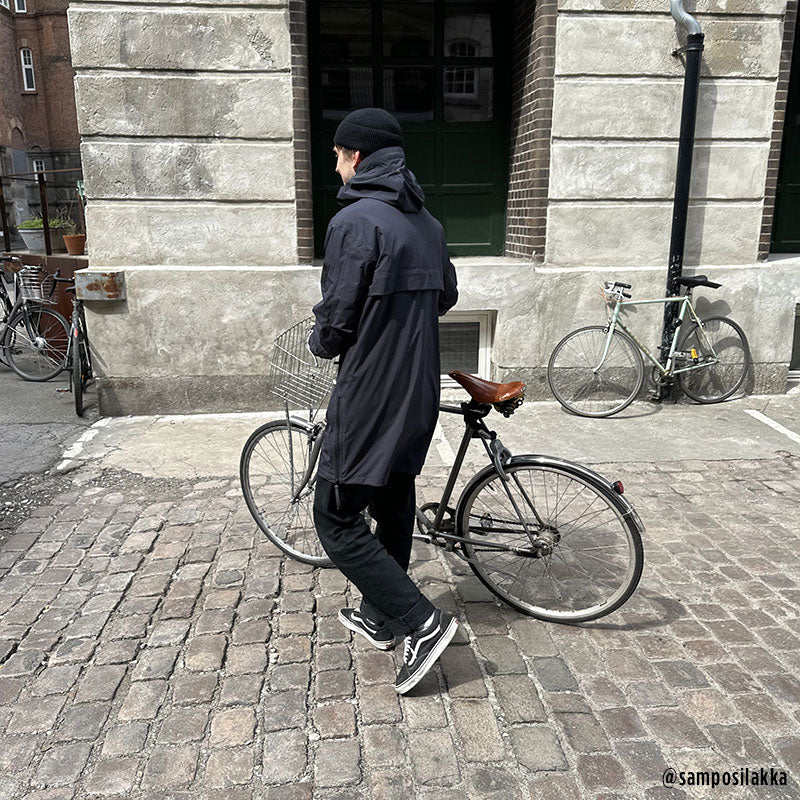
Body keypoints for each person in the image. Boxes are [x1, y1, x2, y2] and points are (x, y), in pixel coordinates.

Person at [309, 108, 459, 695]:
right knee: (394, 497)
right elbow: (445, 294)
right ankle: (380, 611)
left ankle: (422, 622)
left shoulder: (356, 221)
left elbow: (337, 320)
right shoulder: (426, 221)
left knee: (337, 517)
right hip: (418, 384)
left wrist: (325, 338)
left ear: (356, 157)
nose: (336, 164)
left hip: (371, 388)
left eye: (339, 154)